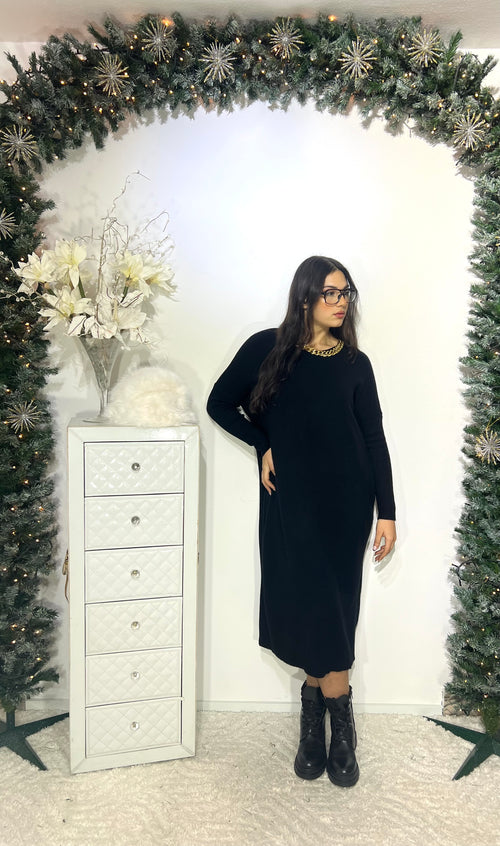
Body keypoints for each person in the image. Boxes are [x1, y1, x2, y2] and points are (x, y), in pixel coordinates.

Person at [206, 255, 396, 788]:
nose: (340, 303)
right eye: (330, 293)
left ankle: (329, 728)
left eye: (346, 293)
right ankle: (323, 721)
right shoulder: (266, 349)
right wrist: (261, 443)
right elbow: (219, 404)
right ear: (305, 296)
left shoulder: (355, 363)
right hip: (289, 503)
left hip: (347, 506)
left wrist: (387, 511)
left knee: (334, 610)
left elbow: (374, 438)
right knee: (307, 607)